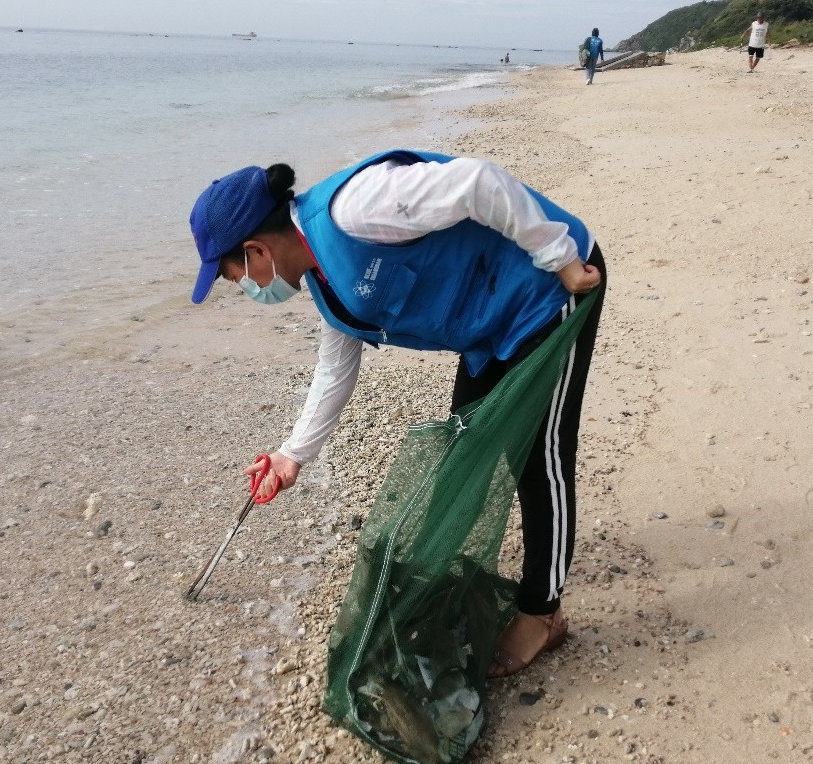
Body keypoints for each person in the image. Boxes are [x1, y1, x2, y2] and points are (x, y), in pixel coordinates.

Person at [189, 151, 606, 678]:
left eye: (234, 277)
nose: (244, 289)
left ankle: (542, 614)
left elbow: (477, 182)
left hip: (550, 290)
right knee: (471, 448)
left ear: (254, 250)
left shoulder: (358, 210)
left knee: (540, 457)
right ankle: (486, 577)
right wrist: (291, 456)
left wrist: (561, 259)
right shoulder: (324, 282)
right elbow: (335, 372)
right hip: (489, 325)